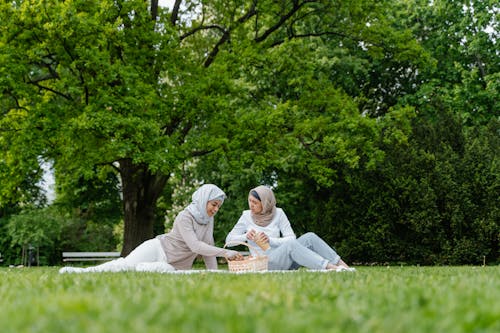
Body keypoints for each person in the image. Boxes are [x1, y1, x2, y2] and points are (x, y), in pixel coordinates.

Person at [60, 184, 243, 273]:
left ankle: (143, 268)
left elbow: (207, 248)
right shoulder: (184, 217)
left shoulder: (208, 219)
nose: (216, 209)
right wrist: (225, 253)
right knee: (123, 266)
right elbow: (196, 246)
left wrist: (214, 274)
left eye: (218, 206)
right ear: (204, 200)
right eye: (214, 204)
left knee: (167, 271)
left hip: (173, 265)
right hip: (158, 249)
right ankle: (82, 272)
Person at [225, 185, 354, 271]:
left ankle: (344, 267)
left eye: (255, 202)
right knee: (291, 245)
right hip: (265, 263)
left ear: (265, 203)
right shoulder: (246, 216)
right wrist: (245, 236)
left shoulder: (278, 213)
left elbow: (291, 238)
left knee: (309, 237)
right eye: (250, 201)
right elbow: (228, 241)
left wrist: (270, 240)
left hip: (285, 258)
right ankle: (330, 268)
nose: (251, 205)